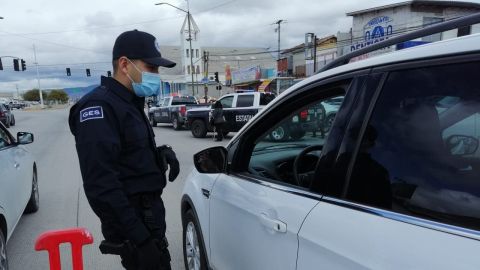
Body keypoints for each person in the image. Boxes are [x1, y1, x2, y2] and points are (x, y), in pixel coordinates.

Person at [68, 29, 180, 270]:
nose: (156, 75)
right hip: (136, 229)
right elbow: (101, 184)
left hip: (149, 222)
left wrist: (159, 154)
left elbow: (128, 155)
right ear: (124, 65)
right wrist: (140, 240)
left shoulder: (128, 103)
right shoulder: (99, 107)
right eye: (151, 68)